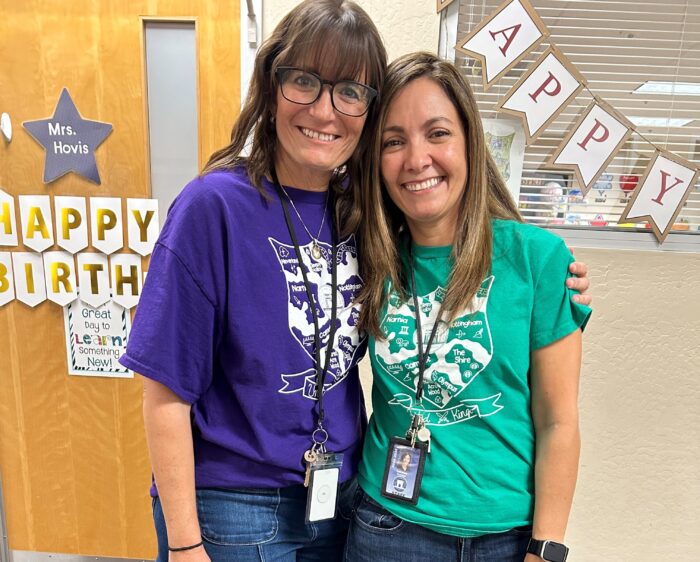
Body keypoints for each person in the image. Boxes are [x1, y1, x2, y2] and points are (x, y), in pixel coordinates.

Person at [119, 2, 591, 561]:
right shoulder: (213, 207)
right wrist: (185, 545)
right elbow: (166, 393)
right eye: (303, 81)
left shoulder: (365, 219)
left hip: (340, 502)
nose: (325, 110)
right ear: (271, 84)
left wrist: (553, 279)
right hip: (235, 505)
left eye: (349, 91)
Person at [345, 52, 592, 562]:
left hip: (507, 538)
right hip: (387, 528)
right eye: (394, 141)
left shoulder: (538, 260)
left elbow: (558, 421)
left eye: (437, 133)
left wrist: (546, 549)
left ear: (470, 144)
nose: (416, 160)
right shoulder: (367, 255)